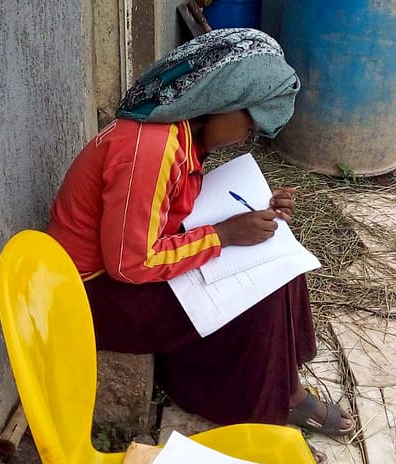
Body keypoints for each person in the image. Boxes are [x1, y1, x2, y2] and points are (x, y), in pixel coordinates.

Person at [46, 28, 354, 439]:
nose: (247, 137)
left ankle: (284, 381)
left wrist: (254, 211)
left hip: (112, 274)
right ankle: (267, 408)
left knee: (279, 255)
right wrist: (223, 235)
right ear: (220, 103)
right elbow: (130, 264)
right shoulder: (151, 149)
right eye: (249, 123)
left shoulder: (177, 133)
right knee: (259, 289)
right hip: (92, 298)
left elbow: (166, 210)